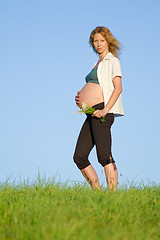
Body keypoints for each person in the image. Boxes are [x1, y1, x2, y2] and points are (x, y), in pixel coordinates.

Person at [73, 26, 124, 191]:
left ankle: (112, 195)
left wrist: (105, 110)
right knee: (79, 157)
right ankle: (97, 192)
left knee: (104, 156)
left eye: (102, 40)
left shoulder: (112, 61)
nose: (98, 44)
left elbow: (118, 88)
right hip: (90, 113)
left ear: (108, 41)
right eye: (95, 41)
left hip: (103, 111)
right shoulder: (97, 63)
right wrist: (81, 99)